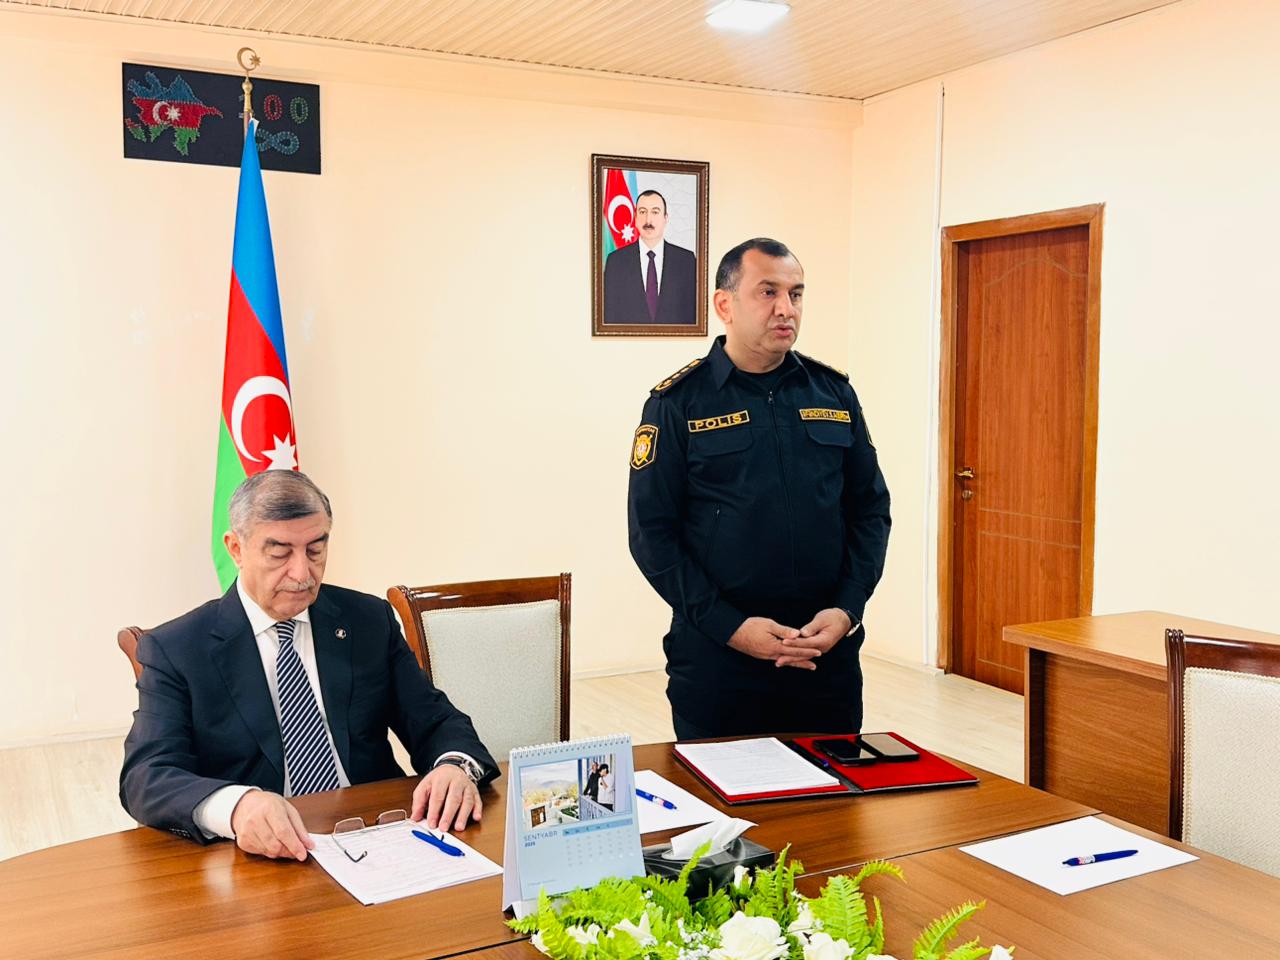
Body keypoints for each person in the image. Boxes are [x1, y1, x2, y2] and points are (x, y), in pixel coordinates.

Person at [120, 470, 498, 860]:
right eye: (279, 553)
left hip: (379, 836)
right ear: (236, 548)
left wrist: (454, 767)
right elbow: (147, 775)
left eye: (315, 550)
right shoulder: (177, 648)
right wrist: (236, 807)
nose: (302, 574)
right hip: (262, 856)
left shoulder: (367, 620)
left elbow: (436, 721)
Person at [627, 237, 891, 740]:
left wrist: (848, 608)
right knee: (721, 794)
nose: (785, 308)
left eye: (796, 294)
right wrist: (729, 627)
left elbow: (870, 510)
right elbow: (652, 535)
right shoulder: (678, 403)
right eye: (768, 292)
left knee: (832, 792)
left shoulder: (833, 393)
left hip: (824, 660)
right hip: (720, 664)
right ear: (724, 305)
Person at [603, 189, 698, 326]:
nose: (648, 220)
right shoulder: (616, 261)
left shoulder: (686, 261)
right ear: (635, 218)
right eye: (642, 212)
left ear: (665, 218)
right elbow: (609, 315)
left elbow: (692, 314)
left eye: (655, 212)